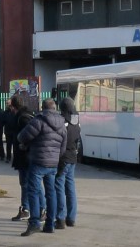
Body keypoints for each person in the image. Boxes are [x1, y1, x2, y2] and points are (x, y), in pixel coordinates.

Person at [17, 98, 66, 236]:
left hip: (38, 161)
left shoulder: (39, 120)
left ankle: (34, 223)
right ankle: (50, 224)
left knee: (33, 191)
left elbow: (22, 137)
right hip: (53, 163)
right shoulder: (62, 124)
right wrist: (55, 157)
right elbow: (63, 146)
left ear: (42, 107)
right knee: (51, 193)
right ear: (55, 108)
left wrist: (26, 144)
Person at [9, 96, 41, 222]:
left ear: (13, 106)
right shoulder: (29, 114)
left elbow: (28, 135)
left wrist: (23, 145)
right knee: (28, 184)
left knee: (28, 184)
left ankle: (29, 210)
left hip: (25, 156)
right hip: (26, 155)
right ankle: (27, 209)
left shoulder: (22, 118)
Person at [55, 97, 81, 229]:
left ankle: (60, 217)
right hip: (73, 157)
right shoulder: (77, 121)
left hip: (63, 158)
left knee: (59, 186)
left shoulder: (63, 122)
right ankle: (71, 218)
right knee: (70, 187)